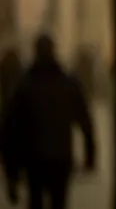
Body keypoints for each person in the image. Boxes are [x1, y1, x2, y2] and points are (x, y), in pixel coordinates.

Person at [1, 34, 96, 209]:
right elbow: (85, 121)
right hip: (60, 157)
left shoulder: (24, 86)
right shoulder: (67, 83)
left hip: (34, 158)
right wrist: (90, 154)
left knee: (35, 201)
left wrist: (11, 173)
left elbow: (10, 130)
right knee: (59, 202)